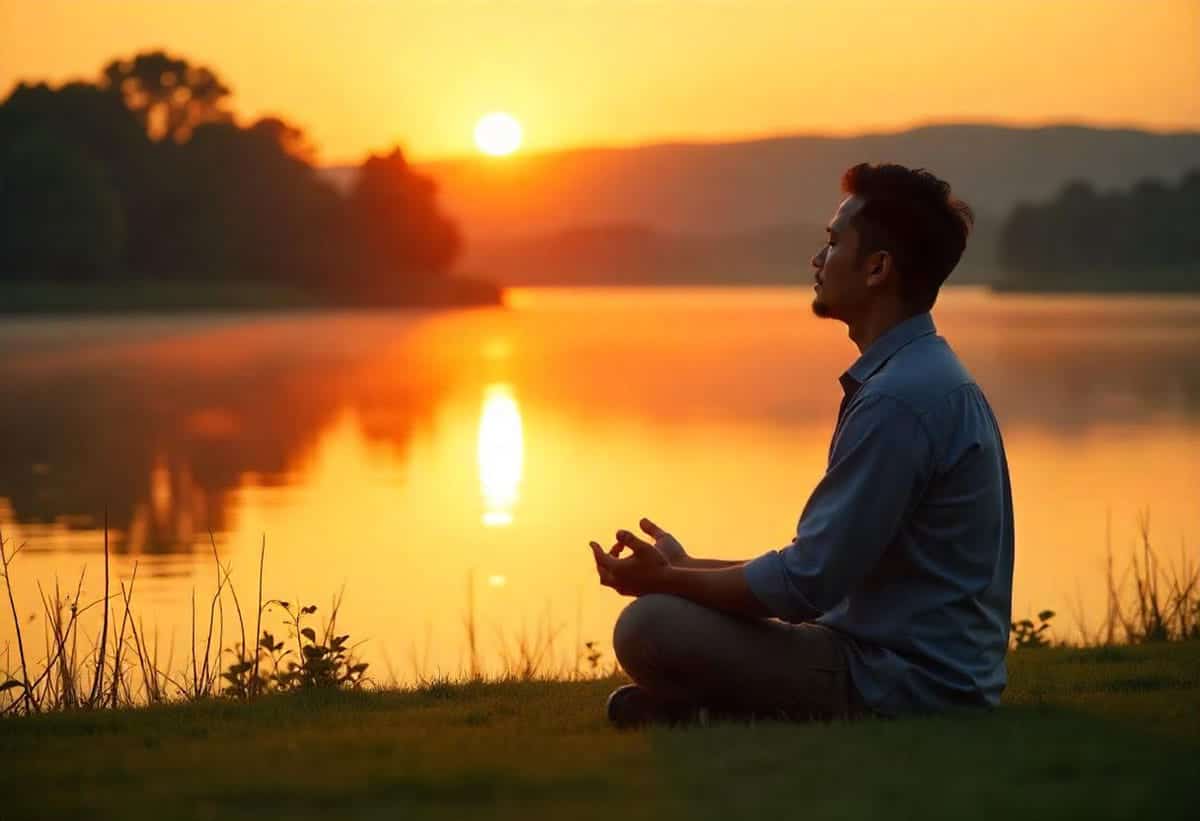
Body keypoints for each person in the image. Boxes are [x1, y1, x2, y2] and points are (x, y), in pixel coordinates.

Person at [588, 163, 1014, 728]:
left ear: (877, 269)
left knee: (648, 626)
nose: (817, 260)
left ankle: (724, 713)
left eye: (834, 243)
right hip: (902, 665)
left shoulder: (900, 400)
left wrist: (666, 581)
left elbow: (804, 586)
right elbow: (822, 567)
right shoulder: (919, 377)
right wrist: (690, 566)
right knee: (673, 612)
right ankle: (712, 712)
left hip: (903, 683)